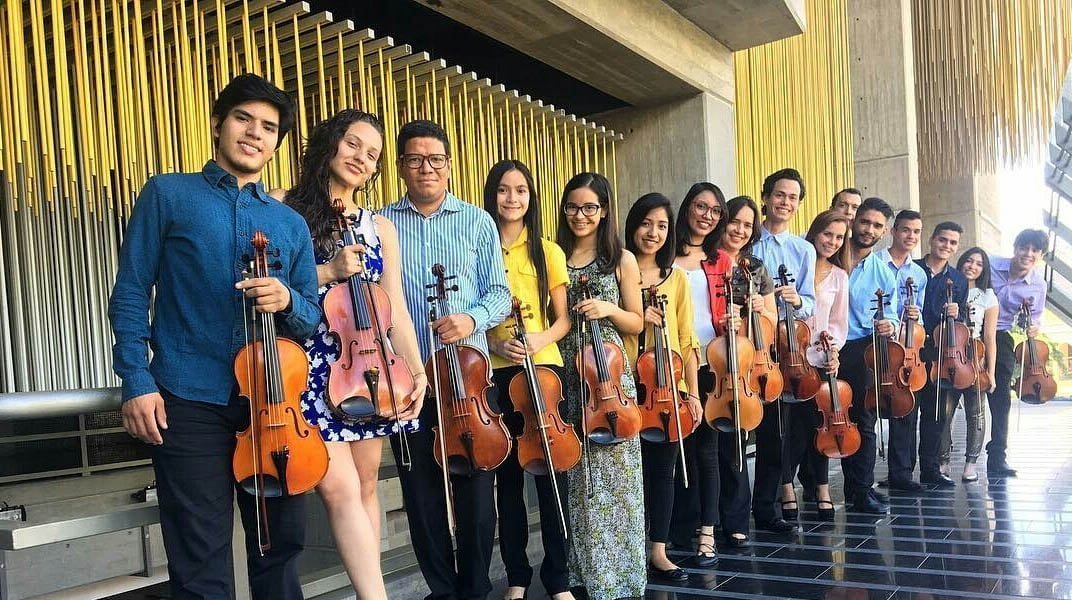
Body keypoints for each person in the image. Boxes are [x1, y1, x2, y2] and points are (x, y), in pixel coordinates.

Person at [109, 74, 321, 599]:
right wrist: (135, 377)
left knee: (281, 548)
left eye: (269, 127)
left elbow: (311, 318)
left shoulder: (288, 224)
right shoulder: (168, 194)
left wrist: (288, 301)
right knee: (199, 558)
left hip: (272, 405)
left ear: (278, 142)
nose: (254, 134)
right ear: (219, 125)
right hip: (188, 395)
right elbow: (133, 290)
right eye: (243, 119)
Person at [278, 109, 427, 598]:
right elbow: (271, 287)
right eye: (354, 144)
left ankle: (372, 591)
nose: (362, 158)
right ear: (329, 142)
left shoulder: (379, 226)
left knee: (366, 487)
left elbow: (396, 308)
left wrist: (415, 366)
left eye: (373, 154)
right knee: (337, 487)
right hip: (306, 364)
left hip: (364, 366)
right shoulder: (282, 206)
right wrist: (327, 271)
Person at [380, 119, 512, 600]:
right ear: (400, 166)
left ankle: (475, 589)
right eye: (415, 159)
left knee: (477, 498)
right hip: (410, 383)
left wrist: (471, 319)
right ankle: (443, 591)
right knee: (422, 498)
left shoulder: (477, 220)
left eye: (435, 159)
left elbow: (500, 293)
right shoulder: (381, 223)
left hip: (470, 384)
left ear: (450, 165)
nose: (426, 168)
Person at [482, 160, 575, 600]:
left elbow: (563, 320)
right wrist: (496, 345)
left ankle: (558, 580)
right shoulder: (477, 247)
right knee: (509, 483)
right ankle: (517, 577)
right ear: (492, 195)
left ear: (531, 197)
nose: (512, 198)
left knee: (551, 478)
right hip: (496, 372)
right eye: (504, 190)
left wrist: (537, 339)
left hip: (544, 371)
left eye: (520, 190)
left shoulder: (548, 250)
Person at [555, 172, 646, 600]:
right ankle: (585, 573)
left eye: (590, 207)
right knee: (582, 480)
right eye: (573, 206)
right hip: (571, 379)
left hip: (608, 376)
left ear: (605, 210)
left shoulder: (620, 259)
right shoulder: (554, 255)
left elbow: (638, 320)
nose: (580, 215)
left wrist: (607, 307)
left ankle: (621, 576)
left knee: (619, 479)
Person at [622, 192, 701, 583]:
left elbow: (687, 341)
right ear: (633, 224)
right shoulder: (618, 271)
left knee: (664, 471)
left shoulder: (678, 278)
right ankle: (629, 548)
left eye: (662, 226)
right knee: (627, 473)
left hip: (667, 386)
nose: (652, 233)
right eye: (646, 223)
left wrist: (694, 393)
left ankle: (659, 549)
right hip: (622, 386)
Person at [706, 196, 778, 546]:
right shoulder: (708, 260)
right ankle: (707, 518)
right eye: (734, 220)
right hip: (709, 357)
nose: (739, 229)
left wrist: (762, 307)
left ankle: (735, 519)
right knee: (707, 448)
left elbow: (774, 321)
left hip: (743, 363)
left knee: (735, 441)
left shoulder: (756, 267)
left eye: (747, 225)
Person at [667, 182, 731, 562]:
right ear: (687, 208)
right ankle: (677, 527)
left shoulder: (720, 259)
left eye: (714, 210)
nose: (707, 215)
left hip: (711, 363)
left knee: (706, 451)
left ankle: (707, 528)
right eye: (700, 206)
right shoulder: (665, 256)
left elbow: (723, 309)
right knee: (674, 449)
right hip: (670, 360)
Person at [750, 168, 815, 533]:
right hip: (749, 346)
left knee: (775, 433)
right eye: (779, 195)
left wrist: (796, 299)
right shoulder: (748, 243)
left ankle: (766, 508)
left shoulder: (803, 250)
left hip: (785, 350)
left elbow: (810, 304)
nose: (785, 203)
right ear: (766, 196)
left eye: (792, 198)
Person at [781, 209, 850, 522]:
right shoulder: (798, 264)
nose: (832, 242)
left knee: (821, 426)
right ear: (815, 232)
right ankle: (786, 487)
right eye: (828, 234)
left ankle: (822, 487)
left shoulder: (839, 277)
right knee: (789, 430)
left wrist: (831, 347)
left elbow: (838, 323)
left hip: (819, 361)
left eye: (839, 237)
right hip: (789, 358)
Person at [838, 197, 901, 514]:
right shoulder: (833, 254)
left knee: (863, 421)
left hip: (861, 348)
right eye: (865, 222)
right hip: (827, 347)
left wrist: (890, 323)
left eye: (877, 225)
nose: (869, 229)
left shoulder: (883, 272)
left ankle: (860, 489)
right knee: (826, 419)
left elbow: (892, 312)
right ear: (854, 220)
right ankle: (815, 488)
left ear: (885, 231)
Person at [986, 228, 1048, 477]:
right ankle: (938, 460)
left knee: (1001, 397)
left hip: (1000, 336)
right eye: (1024, 247)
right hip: (966, 331)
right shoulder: (989, 263)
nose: (1028, 253)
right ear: (1015, 248)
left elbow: (1035, 319)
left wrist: (1033, 327)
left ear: (1041, 255)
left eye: (1035, 250)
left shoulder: (1038, 285)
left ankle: (997, 457)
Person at [914, 222, 968, 488]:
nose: (947, 246)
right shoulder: (913, 268)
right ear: (932, 239)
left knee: (935, 415)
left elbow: (963, 323)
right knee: (907, 415)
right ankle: (900, 472)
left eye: (953, 243)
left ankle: (930, 469)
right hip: (911, 348)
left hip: (942, 351)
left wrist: (958, 314)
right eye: (943, 240)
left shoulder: (958, 280)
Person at [877, 210, 928, 491]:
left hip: (907, 350)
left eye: (916, 232)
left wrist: (914, 314)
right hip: (880, 345)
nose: (911, 236)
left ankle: (902, 473)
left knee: (906, 409)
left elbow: (918, 321)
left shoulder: (918, 274)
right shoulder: (876, 264)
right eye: (906, 230)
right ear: (894, 231)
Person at [947, 247, 998, 482]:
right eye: (969, 261)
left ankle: (971, 463)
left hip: (975, 356)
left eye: (978, 263)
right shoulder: (950, 287)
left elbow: (989, 337)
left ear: (983, 269)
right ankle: (943, 461)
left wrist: (991, 371)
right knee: (944, 413)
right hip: (951, 355)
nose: (972, 266)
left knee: (976, 413)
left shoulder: (987, 295)